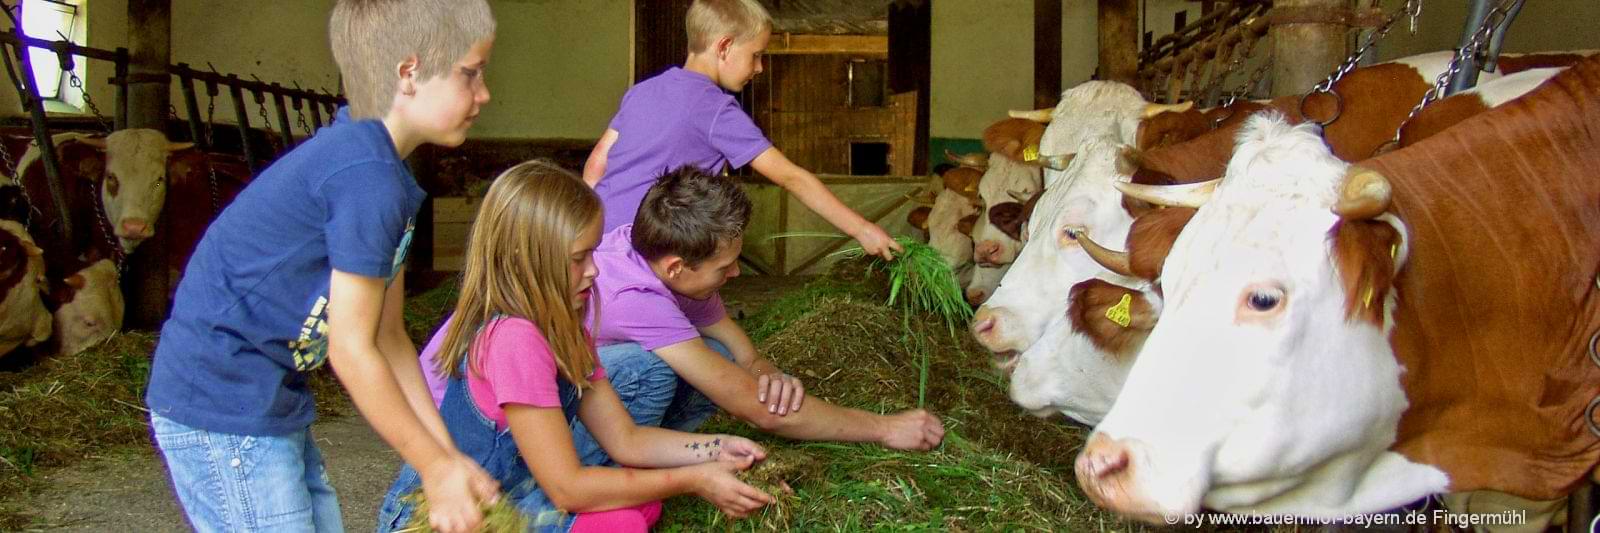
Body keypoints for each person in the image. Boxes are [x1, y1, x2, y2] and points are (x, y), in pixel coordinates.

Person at [144, 1, 499, 531]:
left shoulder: (382, 172)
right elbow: (351, 351)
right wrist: (434, 467)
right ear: (408, 73)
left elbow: (388, 336)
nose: (484, 93)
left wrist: (446, 457)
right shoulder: (364, 176)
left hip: (266, 394)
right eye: (470, 74)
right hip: (221, 395)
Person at [379, 161, 773, 532]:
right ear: (526, 258)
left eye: (594, 252)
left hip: (510, 496)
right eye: (579, 258)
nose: (595, 270)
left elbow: (626, 439)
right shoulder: (515, 338)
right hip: (450, 516)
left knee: (641, 505)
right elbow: (567, 488)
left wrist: (716, 449)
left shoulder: (566, 326)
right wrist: (694, 480)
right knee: (623, 522)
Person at [564, 166, 945, 467]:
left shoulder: (663, 257)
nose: (737, 274)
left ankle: (664, 452)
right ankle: (607, 469)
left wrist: (769, 376)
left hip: (596, 399)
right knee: (649, 367)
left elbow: (742, 353)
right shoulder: (633, 297)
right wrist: (884, 428)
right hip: (554, 424)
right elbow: (756, 409)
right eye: (725, 267)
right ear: (678, 266)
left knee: (720, 355)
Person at [582, 0, 902, 261]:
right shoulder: (717, 110)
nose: (760, 68)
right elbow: (791, 177)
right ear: (724, 47)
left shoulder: (644, 90)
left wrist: (594, 227)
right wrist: (862, 229)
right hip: (651, 249)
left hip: (599, 239)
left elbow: (597, 164)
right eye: (756, 55)